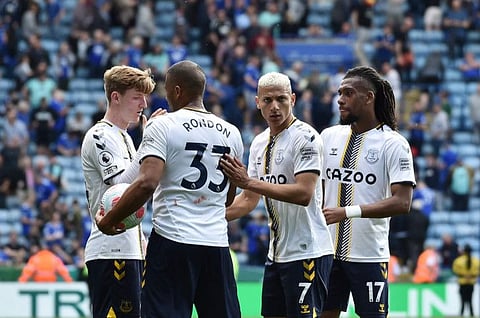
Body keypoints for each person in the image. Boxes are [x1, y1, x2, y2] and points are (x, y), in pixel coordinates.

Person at [96, 60, 243, 318]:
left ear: (176, 91)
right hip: (217, 245)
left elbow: (146, 182)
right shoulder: (232, 133)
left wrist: (110, 219)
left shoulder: (163, 125)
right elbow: (228, 198)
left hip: (173, 242)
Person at [219, 71, 334, 318]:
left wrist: (249, 182)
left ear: (293, 99)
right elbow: (249, 200)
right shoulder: (259, 142)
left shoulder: (306, 137)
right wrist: (211, 217)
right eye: (268, 100)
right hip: (276, 255)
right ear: (257, 102)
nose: (275, 107)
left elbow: (304, 193)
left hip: (308, 252)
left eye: (281, 99)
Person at [320, 66, 416, 318]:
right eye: (339, 92)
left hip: (369, 256)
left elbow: (402, 202)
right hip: (326, 253)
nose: (339, 99)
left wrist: (346, 212)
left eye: (348, 93)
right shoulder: (328, 136)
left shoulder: (393, 144)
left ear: (369, 97)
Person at [81, 65, 156, 318]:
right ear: (116, 97)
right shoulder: (100, 136)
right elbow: (121, 190)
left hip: (130, 248)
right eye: (137, 96)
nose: (143, 104)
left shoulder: (123, 137)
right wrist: (149, 144)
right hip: (111, 250)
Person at [452, 244, 480, 317]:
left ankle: (461, 314)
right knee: (470, 300)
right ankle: (471, 314)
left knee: (462, 301)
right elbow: (478, 272)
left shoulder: (458, 260)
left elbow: (455, 271)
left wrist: (464, 276)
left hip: (462, 282)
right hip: (471, 282)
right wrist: (471, 276)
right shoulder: (476, 261)